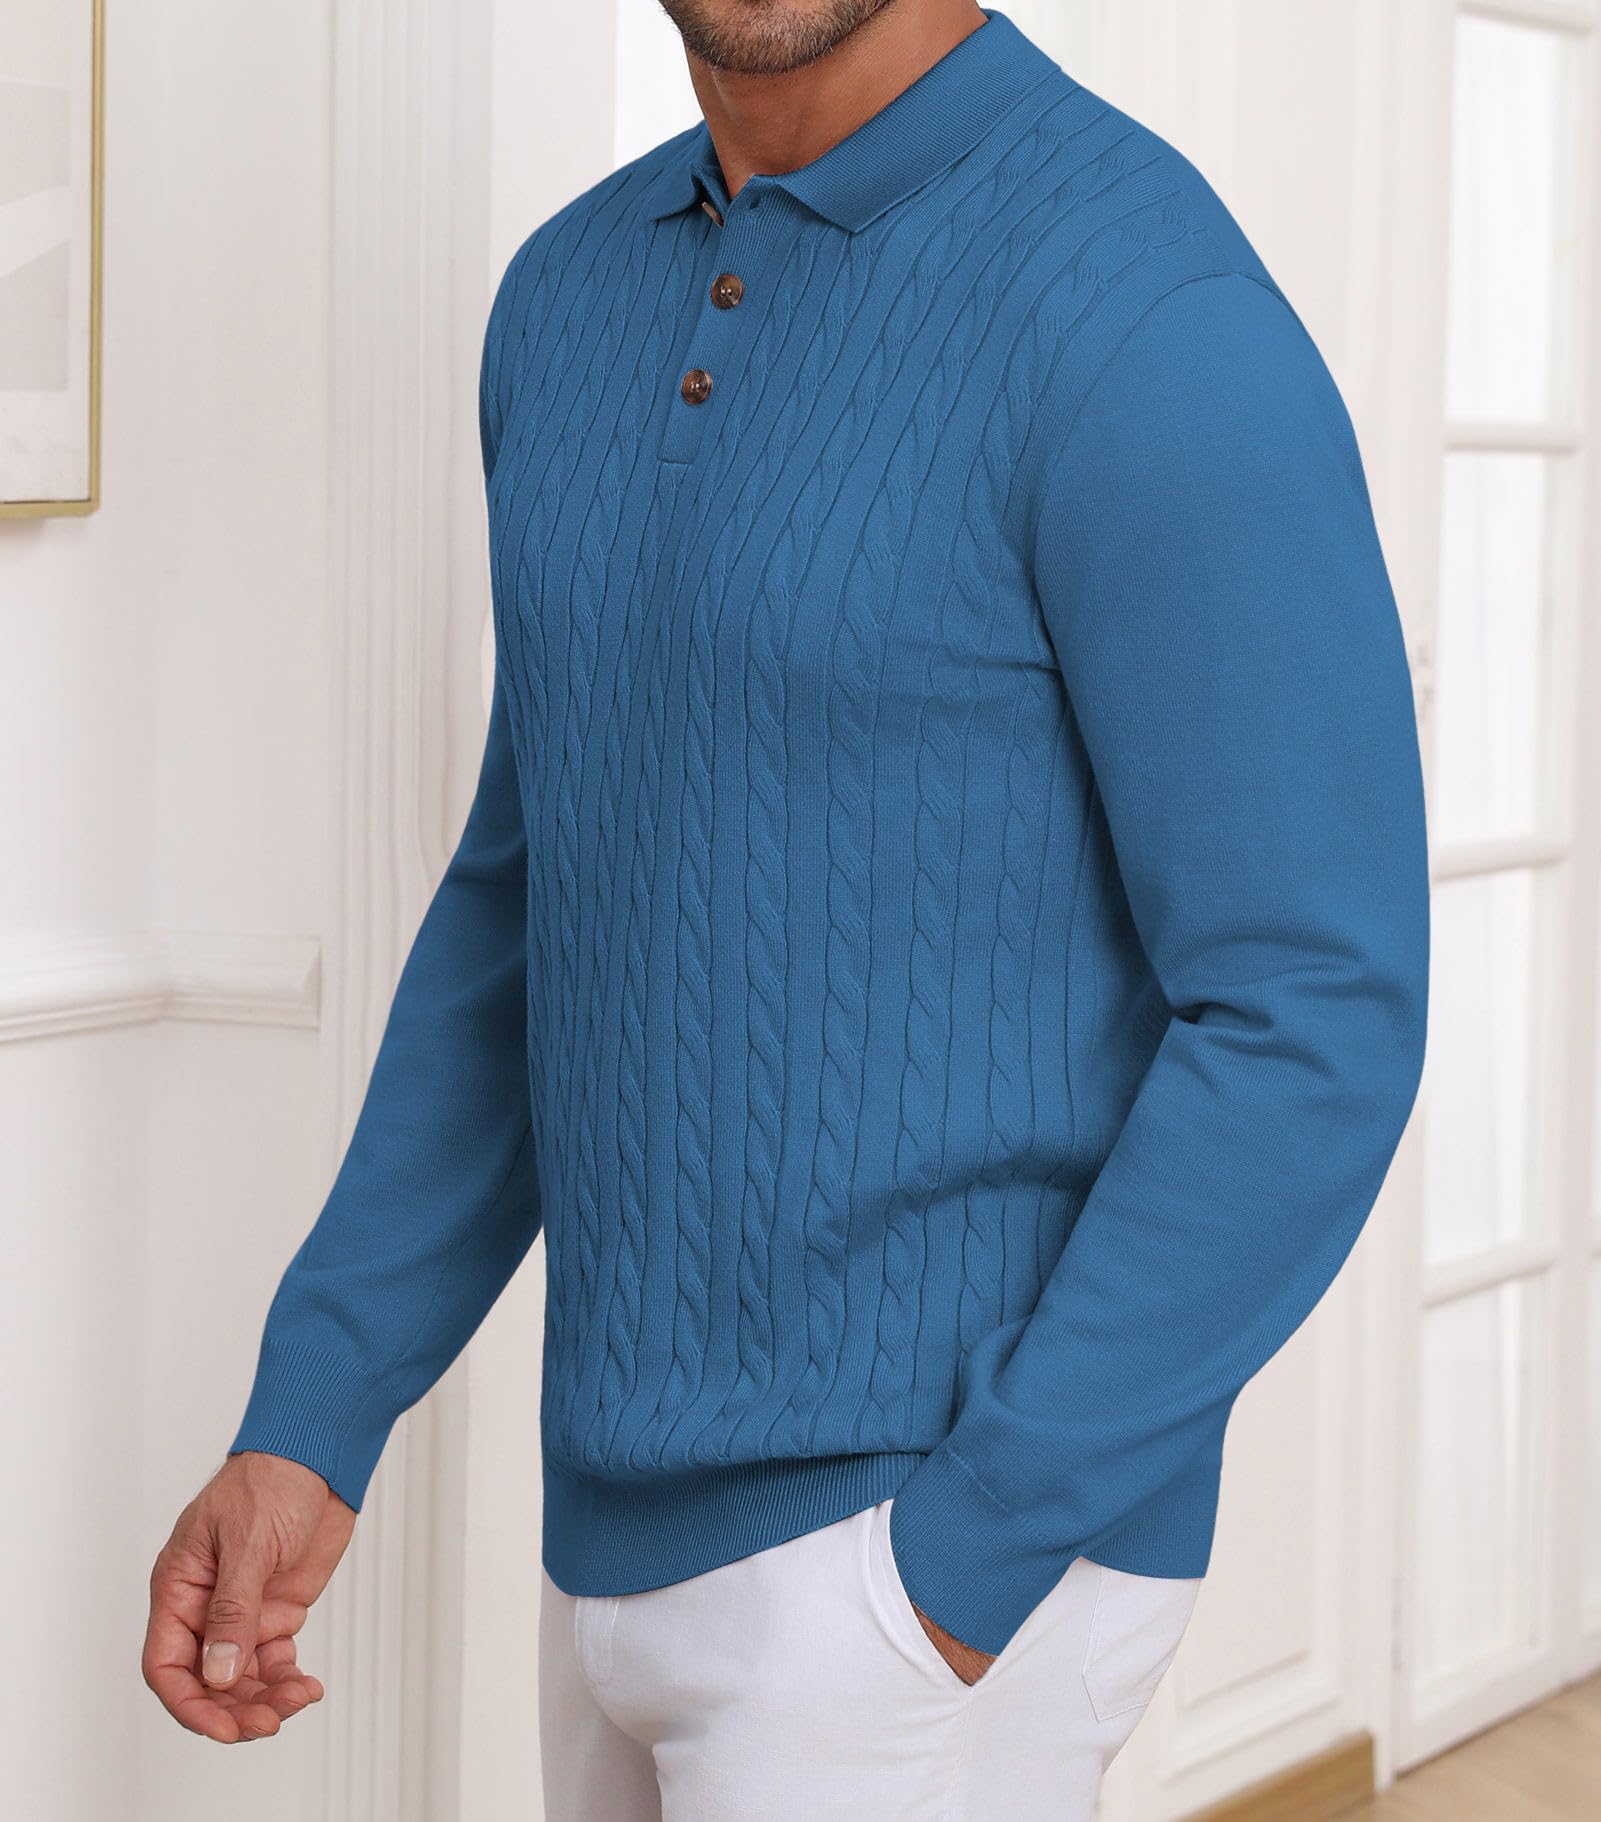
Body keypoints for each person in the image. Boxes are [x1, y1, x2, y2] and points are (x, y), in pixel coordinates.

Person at [142, 3, 1430, 1815]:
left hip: (927, 1553)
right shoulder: (567, 295)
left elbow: (1314, 1006)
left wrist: (957, 1562)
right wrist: (314, 1411)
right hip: (613, 1520)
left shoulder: (1148, 310)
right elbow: (535, 902)